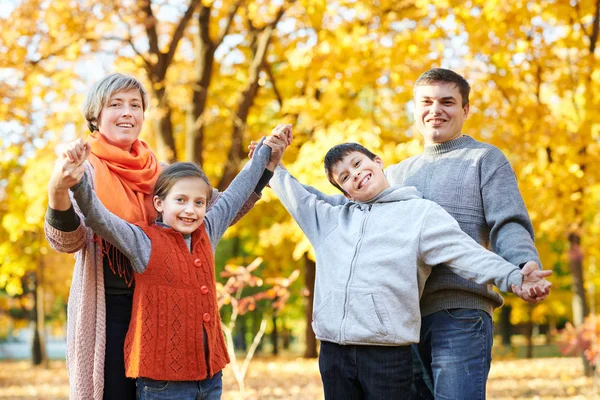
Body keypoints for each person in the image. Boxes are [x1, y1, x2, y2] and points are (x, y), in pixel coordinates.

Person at [282, 68, 548, 399]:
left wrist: (522, 266)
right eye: (427, 102)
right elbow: (343, 209)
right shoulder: (395, 172)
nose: (435, 110)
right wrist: (272, 173)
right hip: (403, 322)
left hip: (459, 309)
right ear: (415, 109)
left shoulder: (484, 159)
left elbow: (507, 222)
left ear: (465, 109)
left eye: (447, 102)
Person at [44, 73, 284, 400]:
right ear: (96, 115)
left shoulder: (165, 173)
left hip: (168, 311)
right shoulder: (84, 168)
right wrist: (59, 187)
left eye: (135, 105)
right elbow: (68, 240)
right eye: (116, 105)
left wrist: (263, 166)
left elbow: (220, 209)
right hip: (112, 308)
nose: (127, 112)